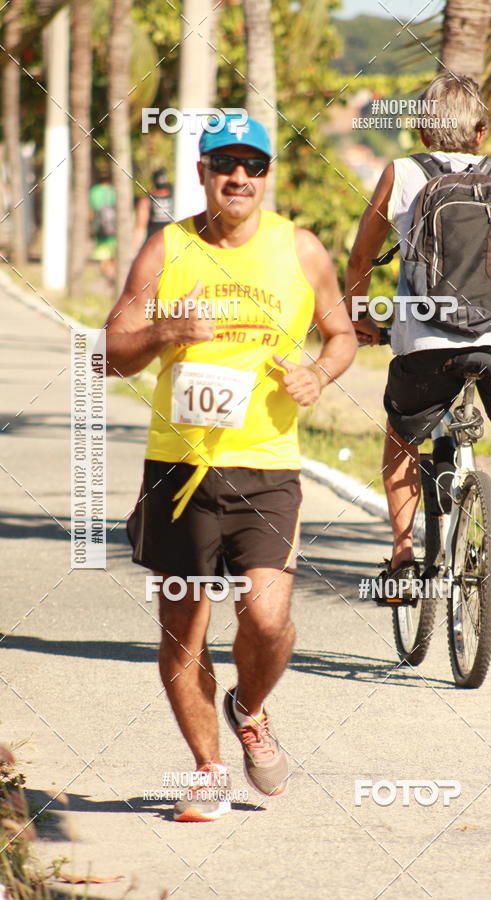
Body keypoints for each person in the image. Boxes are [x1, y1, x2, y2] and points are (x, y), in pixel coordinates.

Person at [105, 115, 357, 821]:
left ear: (267, 175)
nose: (238, 177)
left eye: (251, 165)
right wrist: (163, 332)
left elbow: (341, 335)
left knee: (269, 620)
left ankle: (249, 705)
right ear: (203, 173)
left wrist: (318, 375)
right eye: (224, 165)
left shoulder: (299, 249)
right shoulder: (169, 248)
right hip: (179, 468)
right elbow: (105, 352)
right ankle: (209, 769)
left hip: (267, 467)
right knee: (184, 626)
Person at [345, 74, 491, 584]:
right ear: (482, 132)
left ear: (421, 131)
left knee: (400, 436)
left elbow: (360, 261)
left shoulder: (400, 173)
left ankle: (400, 555)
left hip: (423, 341)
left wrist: (363, 321)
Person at [132, 167, 175, 249]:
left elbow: (140, 227)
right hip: (171, 243)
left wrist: (134, 249)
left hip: (154, 244)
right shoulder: (176, 198)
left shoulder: (146, 200)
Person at [89, 170, 117, 281]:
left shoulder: (94, 191)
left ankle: (110, 276)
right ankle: (112, 275)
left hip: (100, 228)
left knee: (102, 258)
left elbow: (91, 212)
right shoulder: (114, 190)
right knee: (113, 256)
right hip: (114, 228)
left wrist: (90, 226)